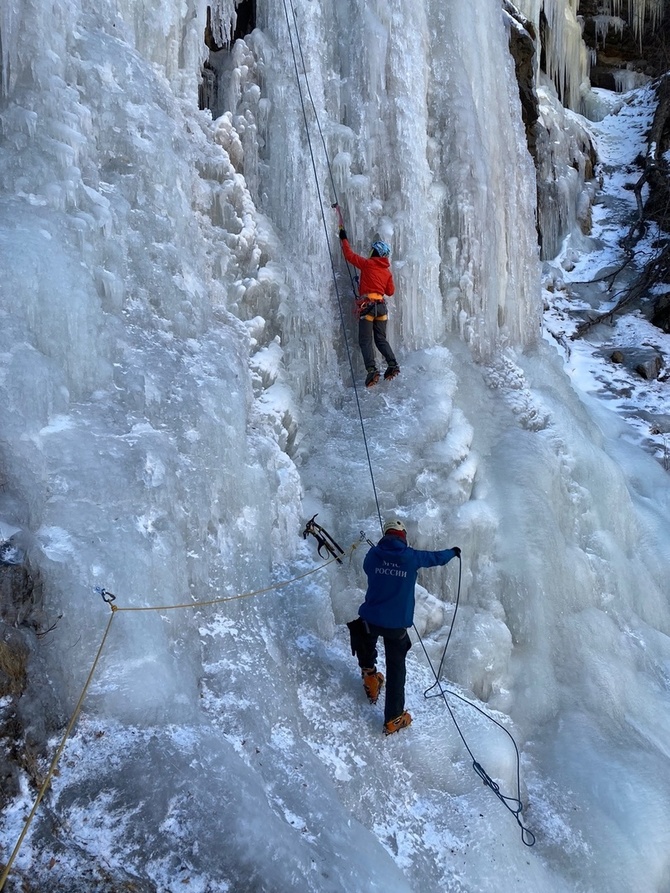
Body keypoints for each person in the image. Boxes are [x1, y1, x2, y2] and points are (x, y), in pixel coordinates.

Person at [347, 519, 460, 736]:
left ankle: (370, 678)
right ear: (402, 536)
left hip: (371, 618)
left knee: (363, 636)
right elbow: (437, 558)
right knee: (396, 668)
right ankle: (393, 719)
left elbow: (368, 568)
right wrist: (454, 552)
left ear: (385, 534)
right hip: (396, 625)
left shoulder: (373, 555)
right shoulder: (411, 557)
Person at [338, 227, 400, 387]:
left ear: (375, 253)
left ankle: (372, 370)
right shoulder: (387, 272)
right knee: (380, 339)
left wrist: (343, 237)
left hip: (368, 307)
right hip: (381, 309)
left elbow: (349, 255)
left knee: (365, 340)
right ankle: (392, 364)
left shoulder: (367, 264)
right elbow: (390, 291)